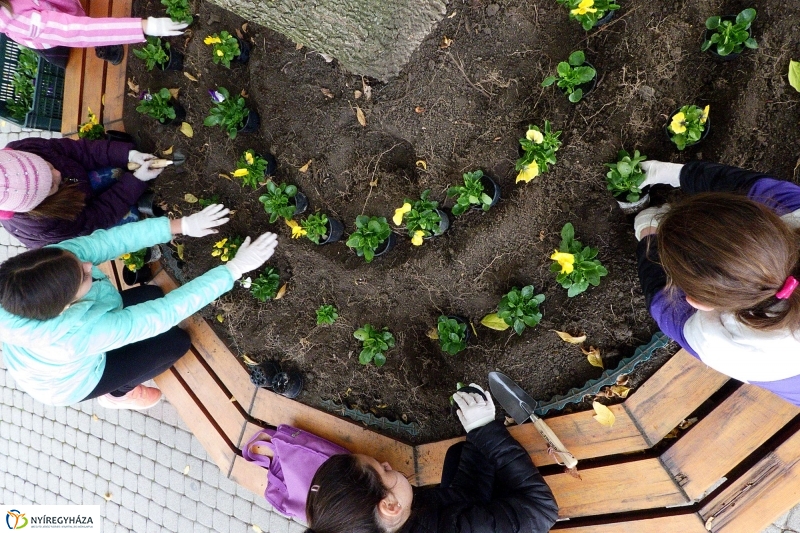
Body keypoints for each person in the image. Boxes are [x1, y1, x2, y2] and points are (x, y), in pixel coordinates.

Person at [0, 205, 278, 409]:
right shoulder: (82, 336)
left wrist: (180, 225)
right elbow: (165, 313)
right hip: (69, 381)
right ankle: (119, 393)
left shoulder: (47, 268)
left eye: (76, 261)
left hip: (54, 347)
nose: (87, 265)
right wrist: (233, 269)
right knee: (175, 343)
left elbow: (107, 242)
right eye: (84, 276)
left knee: (150, 293)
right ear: (64, 307)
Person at [634, 160, 800, 406]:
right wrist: (672, 173)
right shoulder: (794, 209)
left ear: (698, 302)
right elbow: (744, 184)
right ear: (761, 212)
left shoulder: (725, 346)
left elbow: (663, 303)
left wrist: (647, 233)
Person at [304, 385, 559, 533]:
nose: (387, 464)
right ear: (389, 506)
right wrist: (486, 430)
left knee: (459, 454)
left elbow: (463, 497)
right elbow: (542, 510)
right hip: (531, 514)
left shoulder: (396, 519)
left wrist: (478, 433)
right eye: (383, 470)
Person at [0, 136, 165, 248]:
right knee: (132, 217)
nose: (57, 174)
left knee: (114, 171)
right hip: (76, 218)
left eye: (48, 166)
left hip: (73, 183)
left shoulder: (24, 149)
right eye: (50, 184)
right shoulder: (45, 223)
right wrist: (137, 181)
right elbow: (97, 217)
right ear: (40, 202)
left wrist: (128, 155)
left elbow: (82, 150)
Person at [0, 0, 188, 67]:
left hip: (61, 6)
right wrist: (146, 27)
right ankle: (105, 47)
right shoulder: (15, 20)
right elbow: (76, 31)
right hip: (57, 31)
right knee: (88, 30)